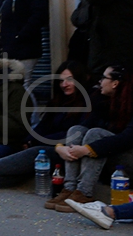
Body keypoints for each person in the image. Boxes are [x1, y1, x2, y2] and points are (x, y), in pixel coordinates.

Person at [0, 62, 91, 192]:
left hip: (68, 150)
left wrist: (38, 142)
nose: (64, 84)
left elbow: (75, 133)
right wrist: (29, 140)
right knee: (24, 169)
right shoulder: (57, 102)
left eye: (69, 80)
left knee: (35, 153)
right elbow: (42, 127)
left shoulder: (87, 103)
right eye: (61, 80)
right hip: (47, 146)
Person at [44, 65, 133, 210]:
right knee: (77, 129)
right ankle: (70, 189)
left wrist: (88, 149)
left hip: (126, 163)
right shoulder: (102, 101)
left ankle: (84, 193)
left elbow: (127, 139)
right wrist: (60, 148)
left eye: (104, 78)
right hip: (106, 158)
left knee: (95, 133)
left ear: (115, 83)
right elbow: (84, 126)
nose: (100, 81)